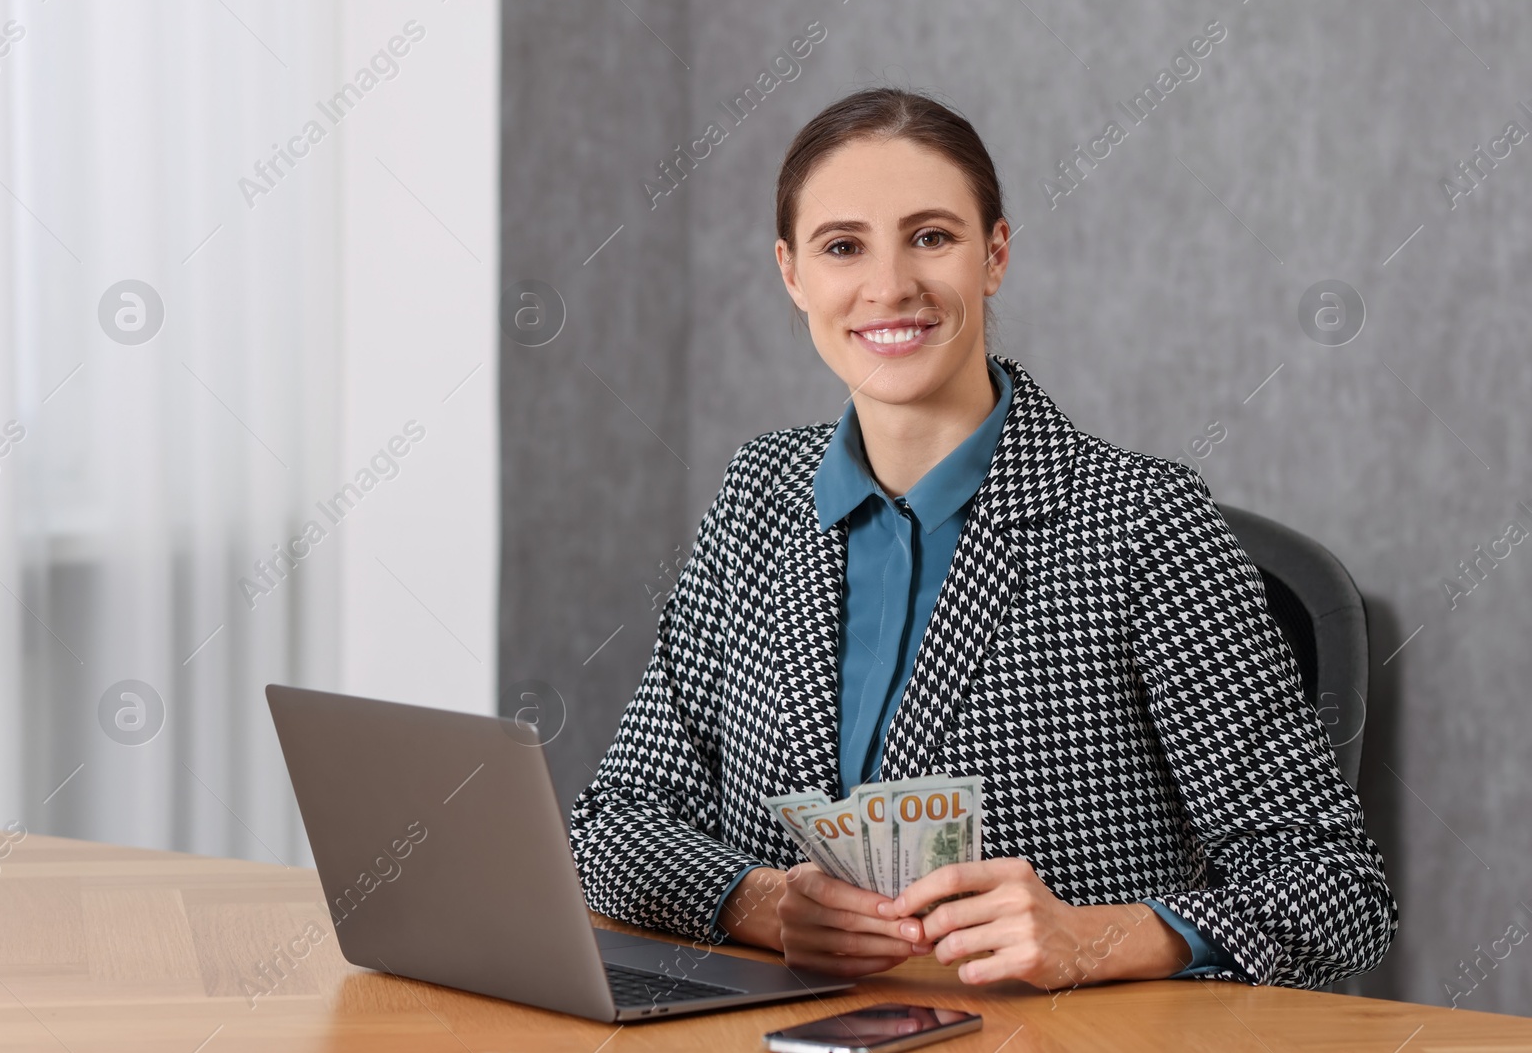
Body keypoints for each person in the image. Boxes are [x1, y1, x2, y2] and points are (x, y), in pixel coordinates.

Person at [568, 87, 1396, 990]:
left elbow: (1338, 891)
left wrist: (1097, 938)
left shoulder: (1141, 521)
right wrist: (756, 900)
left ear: (994, 255)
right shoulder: (759, 497)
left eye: (932, 237)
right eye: (843, 246)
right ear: (792, 274)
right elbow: (614, 822)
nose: (889, 286)